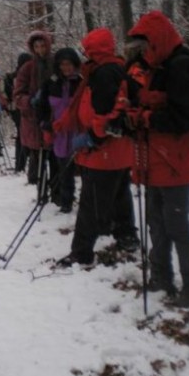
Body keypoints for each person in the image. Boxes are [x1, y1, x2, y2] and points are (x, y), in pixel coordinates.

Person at [125, 10, 189, 307]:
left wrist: (147, 118)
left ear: (158, 39)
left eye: (146, 43)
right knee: (156, 224)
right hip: (154, 161)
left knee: (176, 224)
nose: (143, 50)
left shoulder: (181, 67)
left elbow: (184, 117)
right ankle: (161, 277)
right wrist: (135, 115)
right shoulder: (157, 67)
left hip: (176, 162)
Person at [54, 28, 139, 267]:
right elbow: (82, 107)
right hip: (119, 152)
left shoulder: (104, 73)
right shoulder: (114, 69)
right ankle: (126, 237)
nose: (84, 55)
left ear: (95, 50)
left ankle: (81, 253)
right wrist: (62, 125)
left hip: (103, 153)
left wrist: (91, 137)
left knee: (90, 203)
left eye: (87, 50)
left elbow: (104, 114)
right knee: (120, 196)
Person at [39, 47, 82, 213]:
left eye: (69, 64)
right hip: (59, 133)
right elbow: (42, 106)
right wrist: (44, 123)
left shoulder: (81, 82)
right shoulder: (51, 83)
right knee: (64, 170)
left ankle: (85, 203)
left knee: (84, 170)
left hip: (78, 131)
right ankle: (66, 202)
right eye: (63, 64)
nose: (66, 67)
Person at [13, 30, 57, 187]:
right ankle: (41, 191)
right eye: (37, 46)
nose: (40, 49)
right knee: (38, 159)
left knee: (56, 159)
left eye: (43, 45)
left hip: (55, 117)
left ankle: (57, 193)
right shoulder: (27, 68)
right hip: (33, 120)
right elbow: (17, 95)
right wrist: (30, 101)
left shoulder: (56, 64)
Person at [4, 52, 33, 173]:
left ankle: (20, 165)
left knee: (22, 136)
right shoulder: (25, 75)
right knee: (25, 136)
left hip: (16, 109)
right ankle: (22, 164)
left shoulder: (11, 77)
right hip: (24, 109)